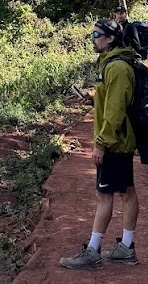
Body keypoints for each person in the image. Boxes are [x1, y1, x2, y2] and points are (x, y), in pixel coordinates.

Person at [60, 20, 141, 269]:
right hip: (121, 139)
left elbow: (116, 110)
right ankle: (126, 247)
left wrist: (102, 143)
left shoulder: (116, 67)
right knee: (126, 191)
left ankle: (93, 251)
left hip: (115, 142)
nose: (93, 38)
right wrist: (95, 100)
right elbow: (113, 102)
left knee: (104, 194)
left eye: (97, 34)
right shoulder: (112, 64)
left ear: (111, 39)